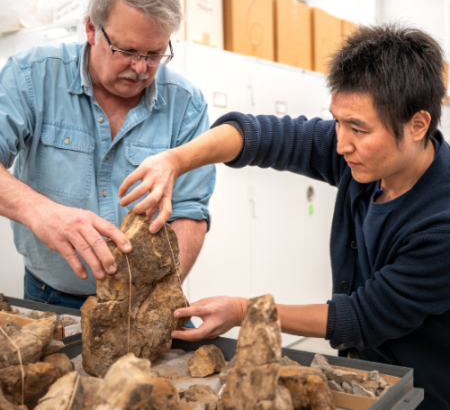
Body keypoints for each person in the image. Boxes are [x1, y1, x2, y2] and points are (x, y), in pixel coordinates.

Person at [119, 25, 450, 410]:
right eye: (338, 122)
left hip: (423, 391)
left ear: (418, 125)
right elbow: (260, 136)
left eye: (358, 128)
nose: (341, 143)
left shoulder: (441, 225)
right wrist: (175, 160)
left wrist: (245, 311)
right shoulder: (364, 154)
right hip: (364, 372)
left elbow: (361, 317)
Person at [0, 0, 215, 309]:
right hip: (50, 295)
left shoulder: (186, 104)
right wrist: (42, 212)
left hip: (144, 300)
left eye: (156, 53)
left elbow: (190, 209)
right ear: (91, 29)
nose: (141, 68)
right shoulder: (31, 76)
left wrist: (158, 295)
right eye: (127, 51)